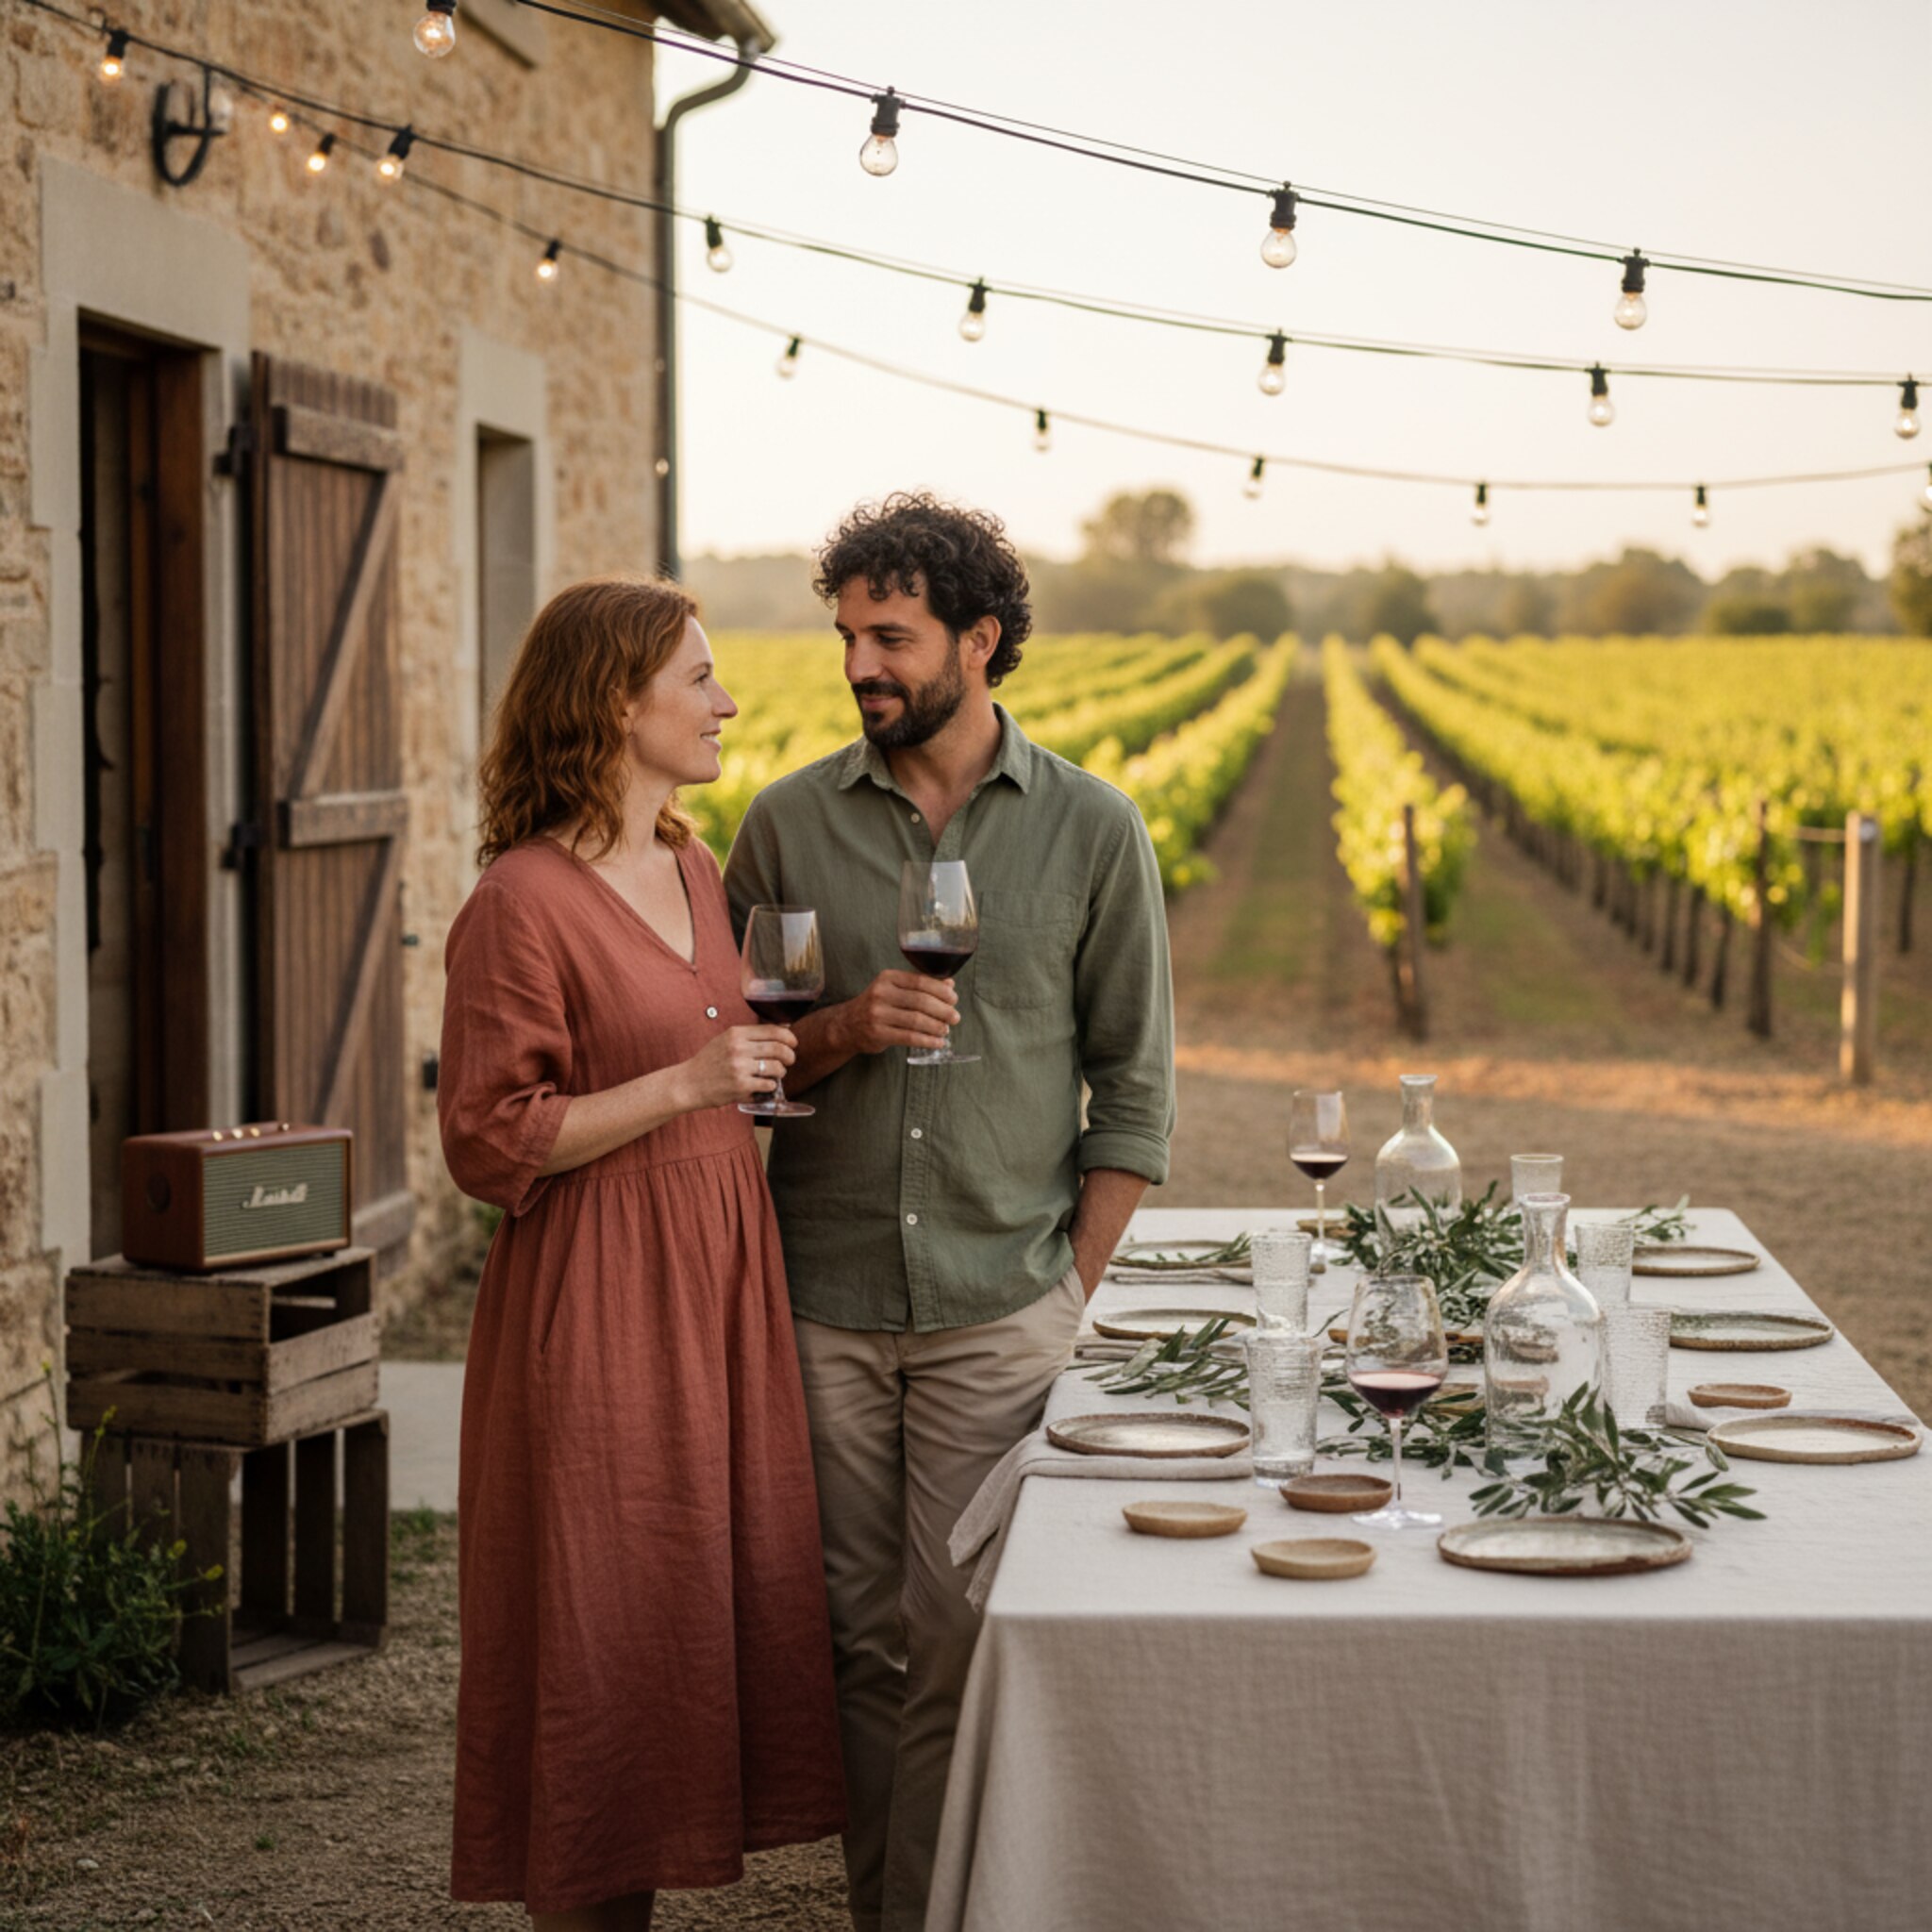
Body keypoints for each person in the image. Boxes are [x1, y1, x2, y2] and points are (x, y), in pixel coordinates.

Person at [724, 493, 1176, 1932]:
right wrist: (851, 1026)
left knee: (971, 1635)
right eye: (848, 634)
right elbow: (734, 1064)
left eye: (892, 635)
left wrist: (1069, 1297)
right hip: (823, 1301)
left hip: (1003, 1307)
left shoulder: (1095, 831)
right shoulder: (787, 825)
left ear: (980, 641)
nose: (861, 662)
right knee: (858, 1644)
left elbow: (1135, 1096)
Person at [440, 575, 844, 1931]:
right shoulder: (520, 901)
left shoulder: (694, 862)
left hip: (720, 1277)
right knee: (602, 1618)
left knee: (691, 1603)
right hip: (600, 1296)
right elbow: (488, 1140)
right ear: (619, 702)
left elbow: (734, 1051)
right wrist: (684, 1086)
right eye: (700, 678)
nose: (727, 701)